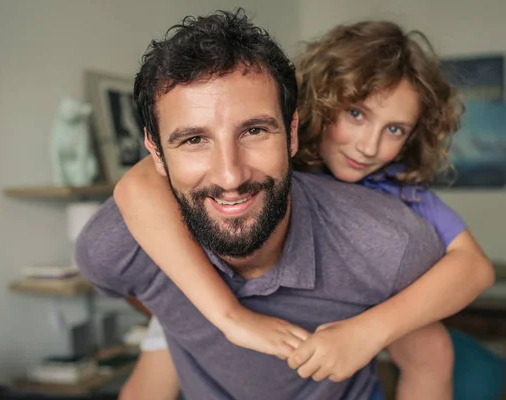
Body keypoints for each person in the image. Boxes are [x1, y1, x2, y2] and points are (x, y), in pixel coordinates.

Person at [77, 10, 461, 399]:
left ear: (292, 132)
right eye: (194, 140)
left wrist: (371, 331)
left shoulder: (387, 235)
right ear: (155, 153)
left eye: (255, 130)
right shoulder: (120, 242)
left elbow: (459, 291)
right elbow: (136, 197)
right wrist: (210, 317)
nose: (230, 176)